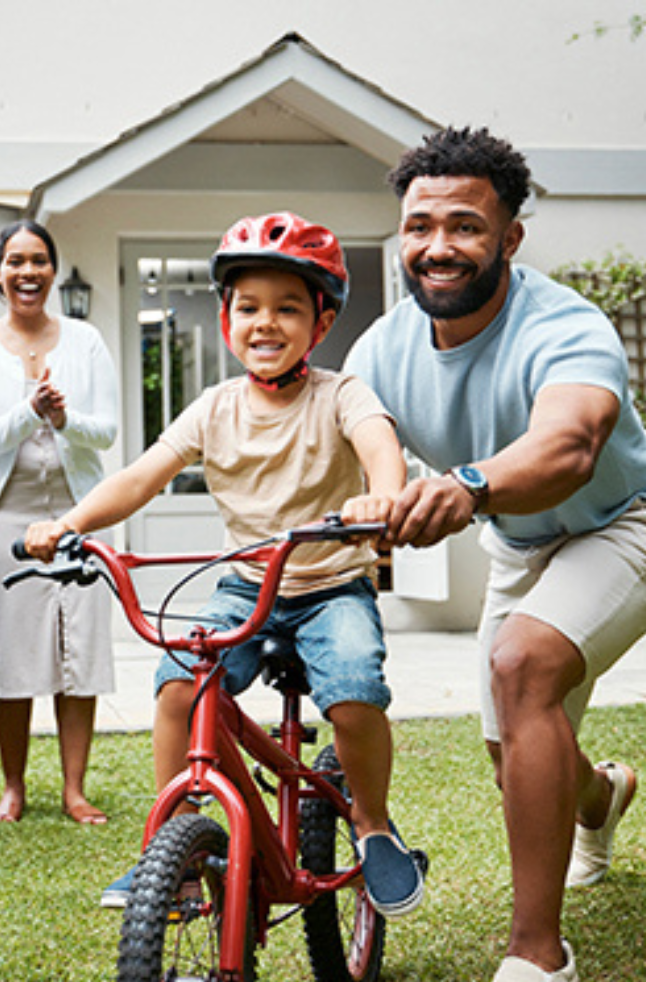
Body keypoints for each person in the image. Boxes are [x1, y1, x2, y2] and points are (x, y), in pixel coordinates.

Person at [345, 127, 646, 982]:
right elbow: (361, 429)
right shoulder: (386, 345)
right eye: (421, 225)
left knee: (521, 664)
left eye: (466, 225)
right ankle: (599, 794)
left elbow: (569, 448)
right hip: (524, 545)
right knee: (514, 763)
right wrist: (378, 498)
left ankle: (539, 959)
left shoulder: (564, 323)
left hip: (629, 524)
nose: (439, 246)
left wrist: (464, 486)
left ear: (510, 239)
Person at [26, 211, 426, 916]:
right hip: (248, 584)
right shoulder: (214, 408)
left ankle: (370, 823)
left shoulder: (342, 394)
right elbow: (141, 476)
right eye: (248, 308)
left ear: (322, 323)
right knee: (180, 681)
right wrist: (70, 522)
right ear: (225, 319)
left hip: (331, 585)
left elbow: (377, 445)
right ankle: (174, 842)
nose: (265, 323)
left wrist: (384, 497)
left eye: (287, 309)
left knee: (354, 682)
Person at [0, 220, 119, 825]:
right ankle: (13, 787)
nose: (29, 272)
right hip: (6, 517)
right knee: (13, 653)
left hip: (79, 513)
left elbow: (107, 430)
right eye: (16, 261)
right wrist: (30, 411)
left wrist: (65, 418)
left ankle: (75, 790)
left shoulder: (86, 340)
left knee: (78, 649)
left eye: (40, 261)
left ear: (53, 269)